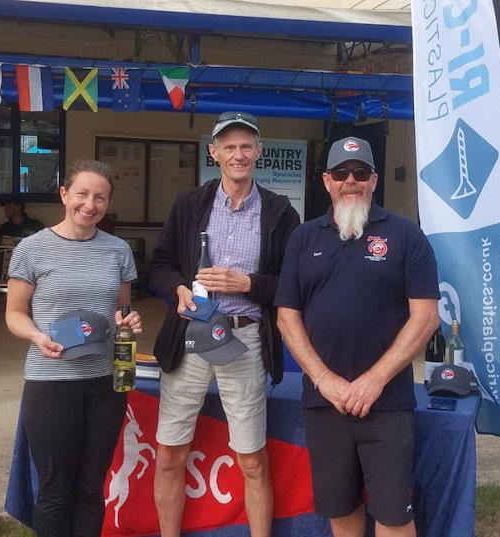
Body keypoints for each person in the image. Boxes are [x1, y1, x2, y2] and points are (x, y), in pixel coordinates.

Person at [275, 136, 440, 537]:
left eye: (360, 172)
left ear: (374, 180)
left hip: (387, 401)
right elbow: (286, 317)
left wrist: (373, 381)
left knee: (394, 515)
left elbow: (426, 317)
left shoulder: (405, 235)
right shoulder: (303, 238)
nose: (352, 181)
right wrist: (326, 380)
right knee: (340, 506)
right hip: (324, 401)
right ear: (327, 181)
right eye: (342, 173)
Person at [149, 111, 300, 537]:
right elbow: (158, 265)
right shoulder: (190, 203)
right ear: (213, 153)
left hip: (244, 337)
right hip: (190, 335)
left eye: (246, 146)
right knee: (169, 455)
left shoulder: (279, 212)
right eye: (229, 147)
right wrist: (177, 289)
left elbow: (294, 283)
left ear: (259, 152)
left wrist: (247, 283)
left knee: (252, 459)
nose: (239, 154)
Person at [5, 159, 142, 537]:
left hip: (105, 384)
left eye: (100, 197)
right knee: (55, 489)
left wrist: (127, 321)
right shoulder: (32, 249)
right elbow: (14, 314)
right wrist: (36, 336)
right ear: (64, 194)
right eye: (82, 193)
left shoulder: (118, 250)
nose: (90, 204)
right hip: (51, 382)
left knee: (89, 487)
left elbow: (121, 310)